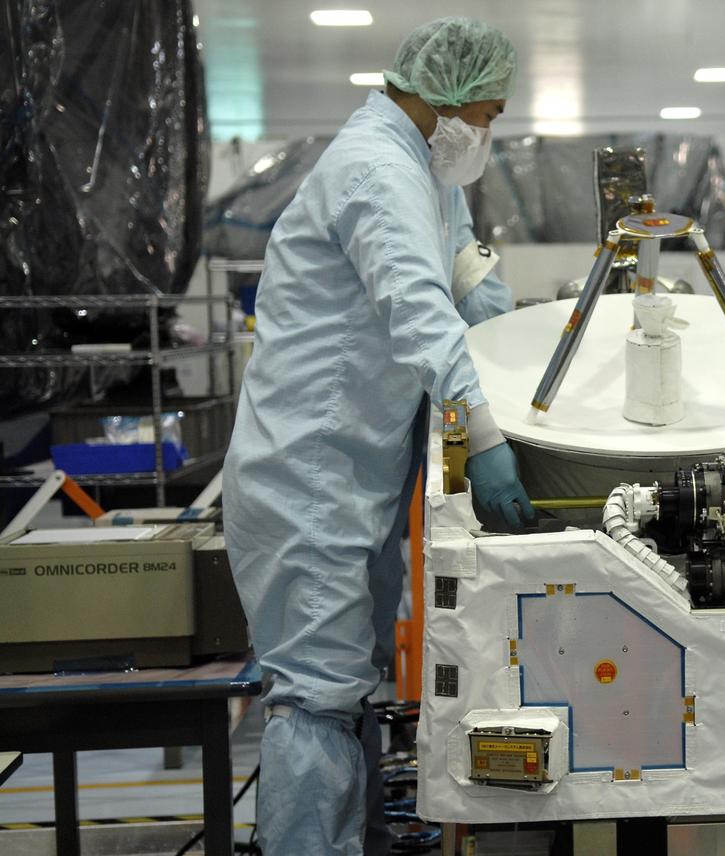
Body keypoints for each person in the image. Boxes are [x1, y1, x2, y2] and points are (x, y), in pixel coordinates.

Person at [222, 18, 533, 855]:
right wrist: (490, 429)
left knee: (345, 690)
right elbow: (418, 310)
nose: (490, 132)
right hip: (308, 481)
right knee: (317, 696)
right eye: (491, 113)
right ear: (449, 98)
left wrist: (517, 345)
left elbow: (465, 276)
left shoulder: (426, 169)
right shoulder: (374, 170)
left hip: (355, 476)